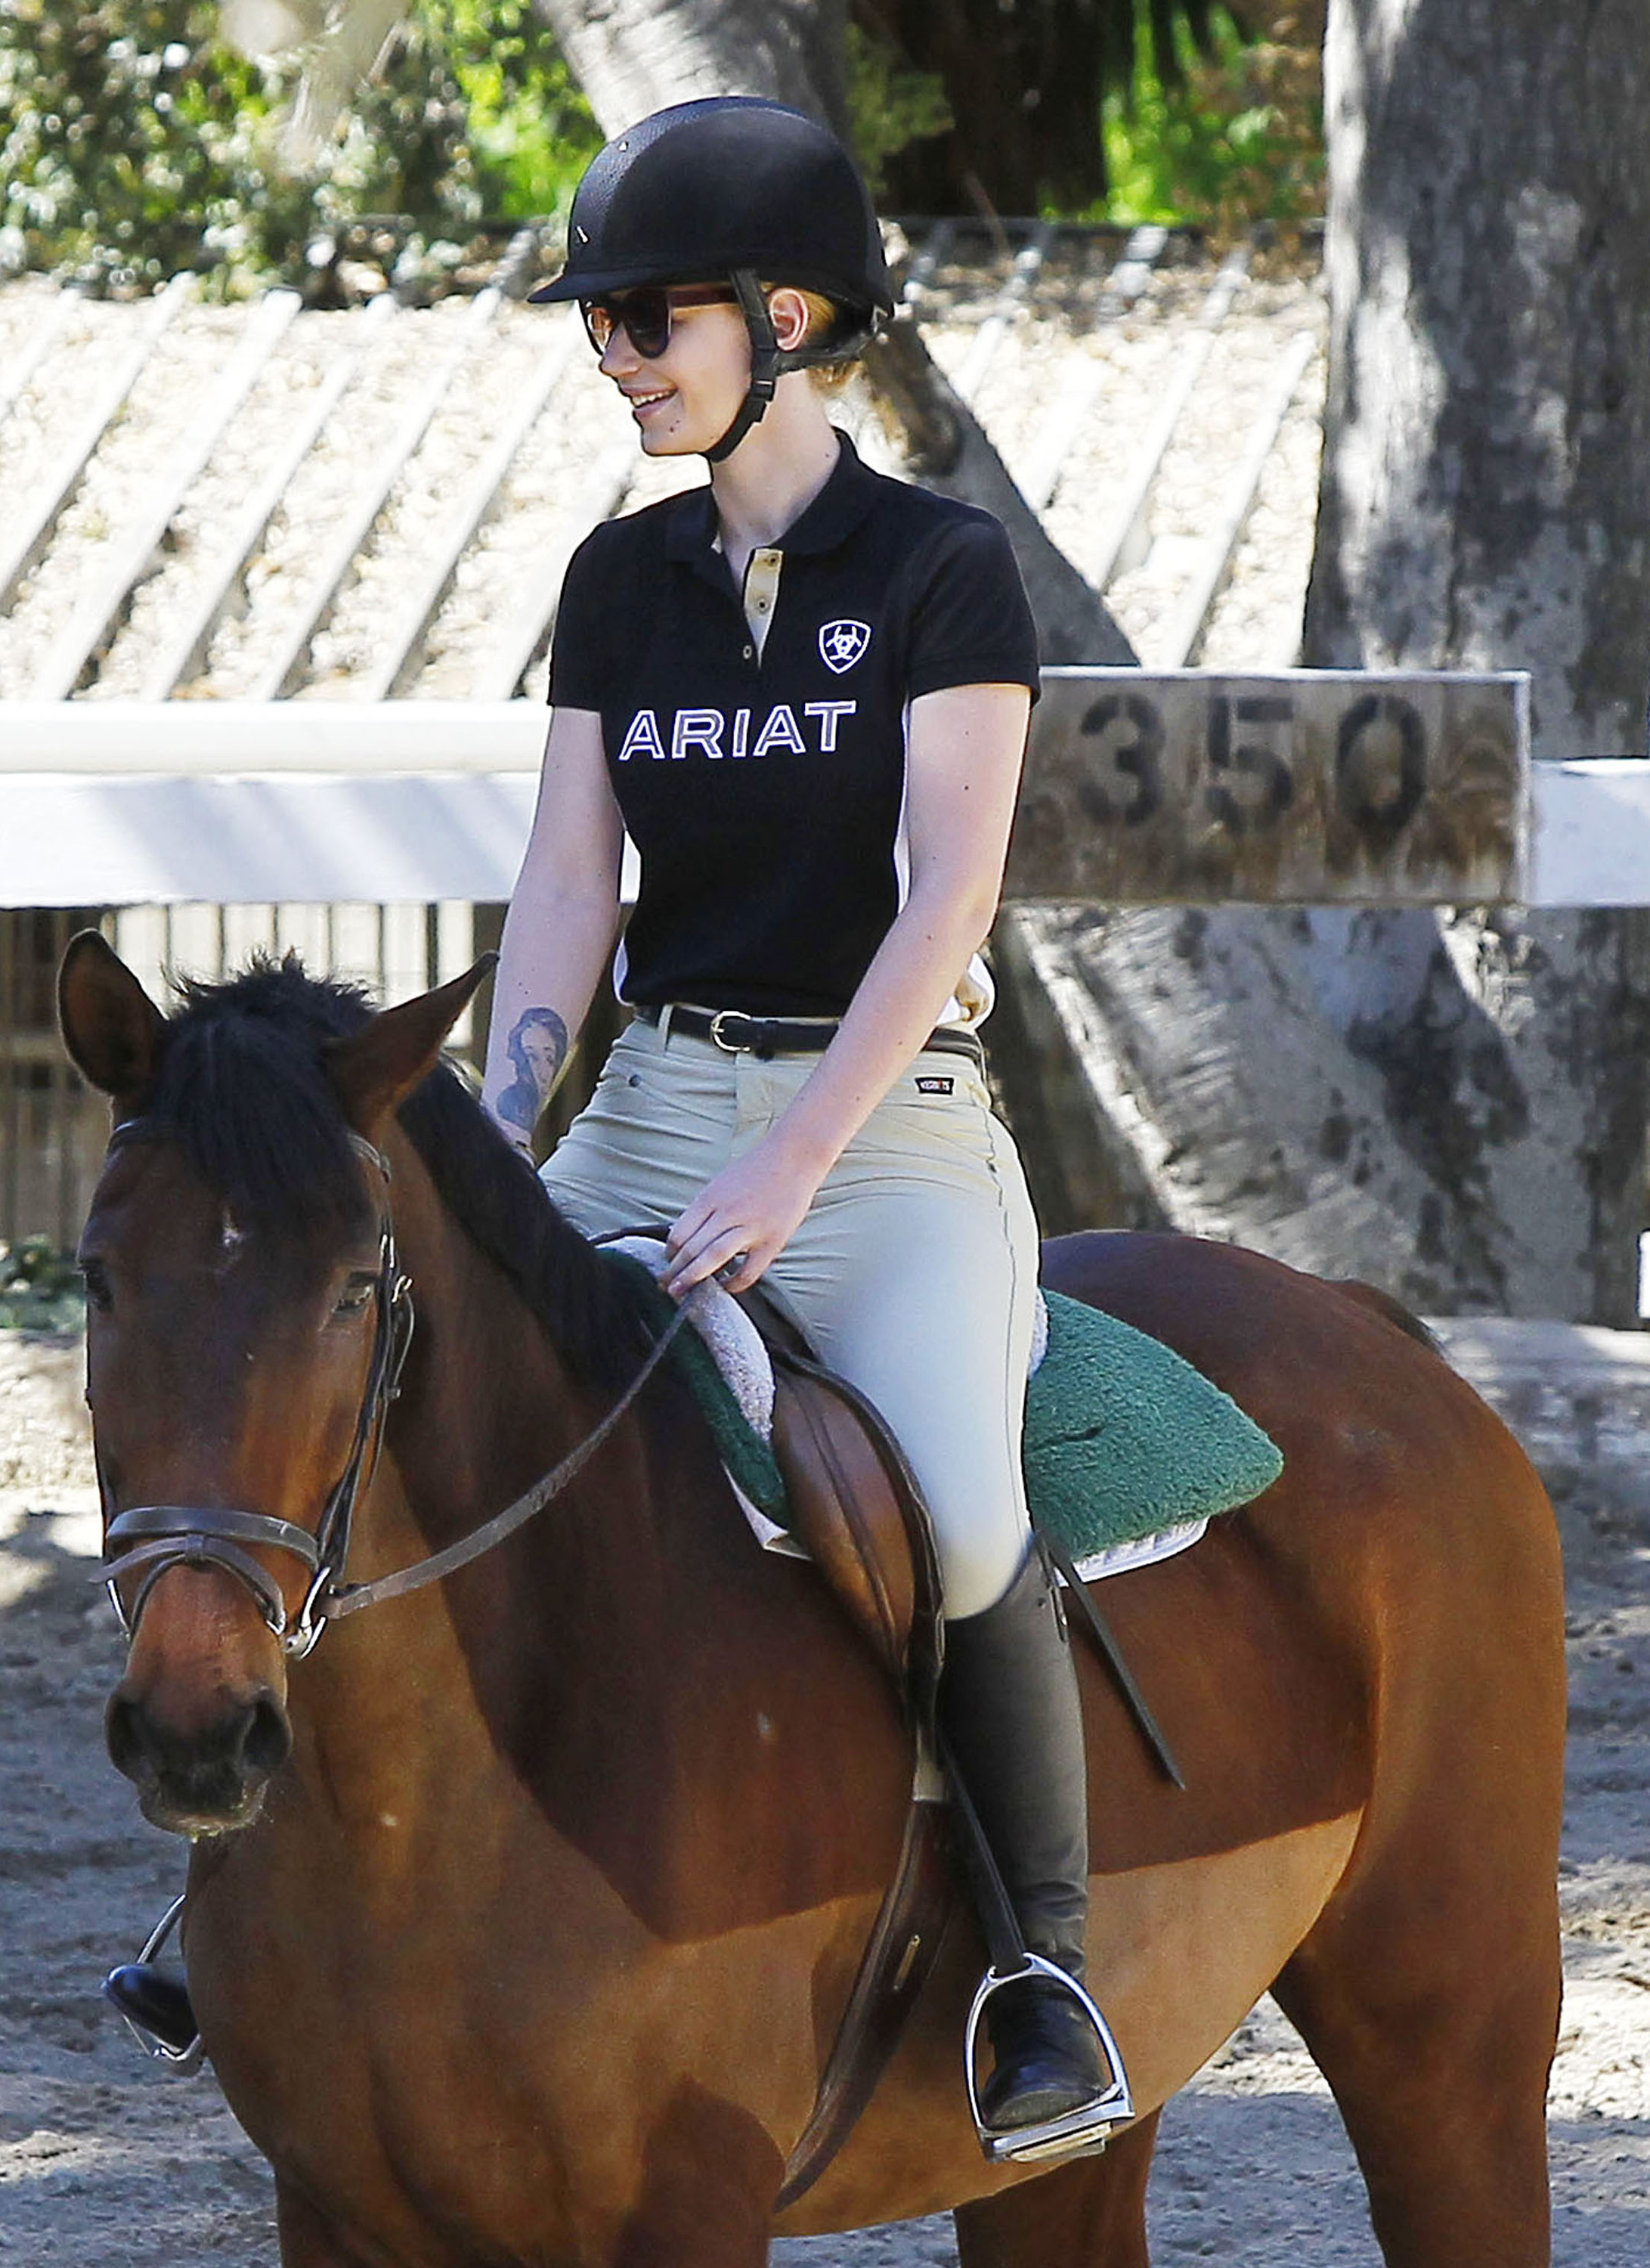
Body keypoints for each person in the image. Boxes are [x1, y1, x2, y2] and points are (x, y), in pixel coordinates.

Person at [483, 95, 1127, 2151]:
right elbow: (569, 886)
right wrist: (497, 1139)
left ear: (779, 318)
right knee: (424, 1393)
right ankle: (245, 1888)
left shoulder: (942, 571)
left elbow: (949, 903)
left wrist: (794, 1161)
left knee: (960, 1510)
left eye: (645, 321)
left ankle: (1040, 1972)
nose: (614, 359)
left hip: (889, 1129)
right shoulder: (617, 583)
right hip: (652, 1096)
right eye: (595, 328)